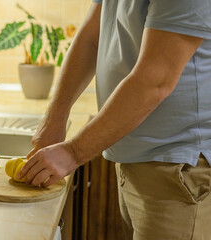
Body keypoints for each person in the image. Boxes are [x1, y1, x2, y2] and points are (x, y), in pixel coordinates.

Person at [17, 0, 211, 239]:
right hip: (136, 159)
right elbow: (91, 37)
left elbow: (155, 79)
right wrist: (55, 117)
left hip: (178, 167)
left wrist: (73, 152)